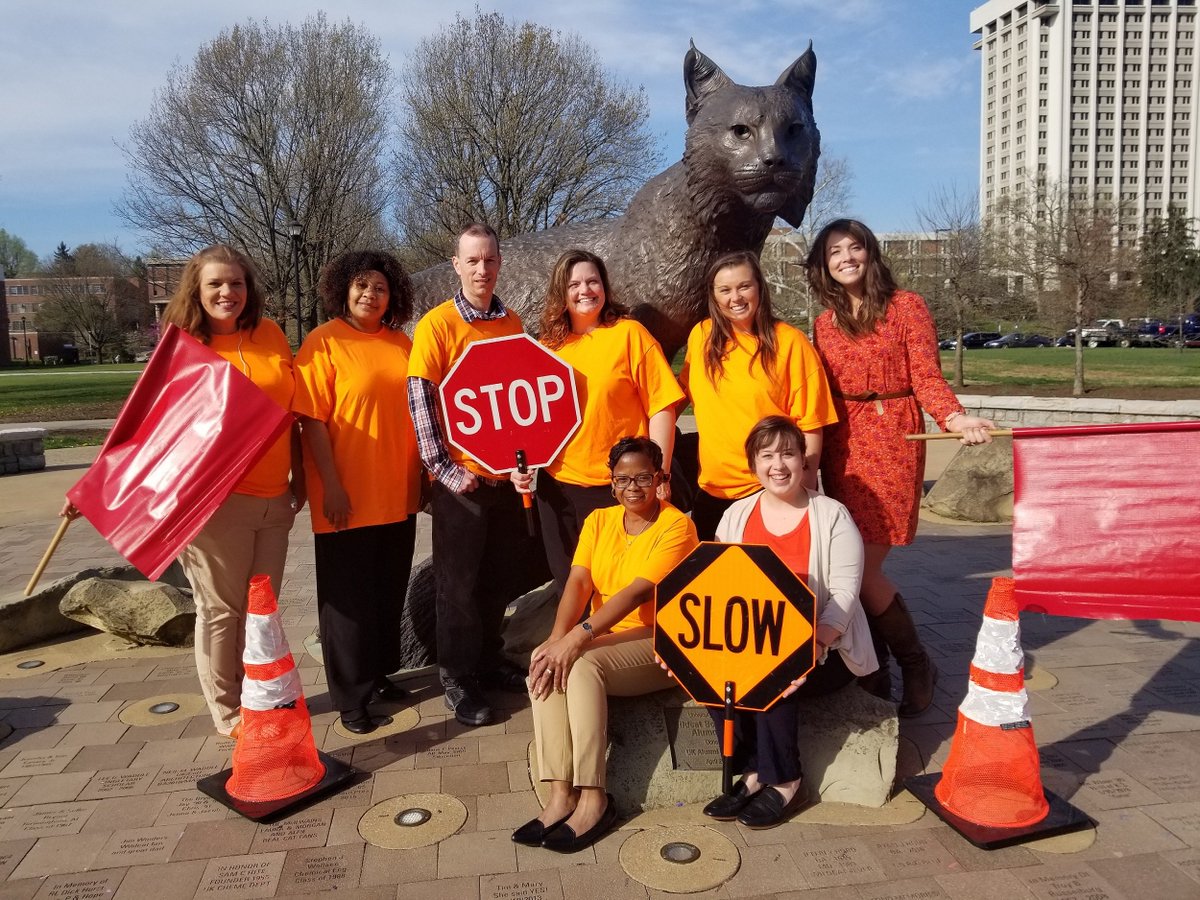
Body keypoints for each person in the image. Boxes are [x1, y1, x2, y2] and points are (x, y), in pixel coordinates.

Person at [60, 245, 303, 737]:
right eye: (215, 284)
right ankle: (229, 711)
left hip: (275, 498)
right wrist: (96, 485)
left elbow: (291, 414)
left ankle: (257, 694)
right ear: (197, 290)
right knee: (221, 609)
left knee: (260, 607)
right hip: (214, 503)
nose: (227, 292)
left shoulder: (271, 334)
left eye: (235, 283)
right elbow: (148, 431)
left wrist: (299, 477)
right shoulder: (185, 349)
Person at [806, 218, 994, 717]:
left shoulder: (906, 306)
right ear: (824, 265)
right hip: (842, 443)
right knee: (842, 558)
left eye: (854, 248)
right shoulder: (824, 323)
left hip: (892, 437)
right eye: (834, 252)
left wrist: (954, 416)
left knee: (864, 568)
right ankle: (876, 664)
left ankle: (913, 663)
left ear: (870, 253)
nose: (845, 258)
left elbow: (926, 375)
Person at [513, 436, 698, 852]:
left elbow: (636, 593)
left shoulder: (677, 526)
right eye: (623, 479)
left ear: (661, 480)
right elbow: (579, 581)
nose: (633, 487)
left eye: (644, 478)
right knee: (545, 658)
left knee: (581, 664)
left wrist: (579, 636)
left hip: (662, 641)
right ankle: (560, 794)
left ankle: (594, 797)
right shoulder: (598, 520)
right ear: (611, 484)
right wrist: (557, 638)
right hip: (609, 636)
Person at [695, 416, 876, 829]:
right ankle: (754, 769)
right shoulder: (736, 517)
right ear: (753, 465)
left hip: (823, 646)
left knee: (777, 671)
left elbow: (845, 596)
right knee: (704, 673)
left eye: (788, 454)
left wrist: (812, 648)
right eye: (767, 455)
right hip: (753, 642)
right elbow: (719, 586)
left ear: (803, 461)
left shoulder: (831, 515)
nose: (778, 465)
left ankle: (786, 780)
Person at [406, 223, 542, 727]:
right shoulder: (437, 325)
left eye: (489, 260)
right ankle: (457, 677)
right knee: (456, 586)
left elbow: (521, 400)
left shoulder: (512, 321)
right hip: (461, 482)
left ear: (498, 263)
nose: (482, 269)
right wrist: (442, 469)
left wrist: (524, 469)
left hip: (504, 481)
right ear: (457, 265)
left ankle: (488, 658)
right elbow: (420, 396)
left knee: (497, 579)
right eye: (473, 261)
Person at [293, 251, 423, 735]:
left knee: (386, 592)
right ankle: (350, 696)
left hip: (398, 492)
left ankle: (379, 672)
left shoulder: (402, 344)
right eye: (362, 286)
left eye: (381, 288)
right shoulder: (323, 343)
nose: (371, 294)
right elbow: (312, 421)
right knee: (346, 602)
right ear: (344, 289)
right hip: (345, 497)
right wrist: (330, 486)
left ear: (394, 296)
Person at [519, 249, 683, 594]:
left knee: (620, 589)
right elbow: (528, 419)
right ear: (561, 293)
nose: (585, 290)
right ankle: (576, 648)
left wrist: (661, 474)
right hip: (559, 488)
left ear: (604, 286)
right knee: (570, 586)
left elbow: (662, 407)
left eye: (592, 281)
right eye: (574, 283)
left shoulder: (629, 334)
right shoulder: (548, 348)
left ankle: (617, 649)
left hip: (620, 488)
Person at [679, 250, 838, 540]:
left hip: (768, 489)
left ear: (759, 288)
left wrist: (804, 488)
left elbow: (812, 423)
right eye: (725, 290)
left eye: (744, 286)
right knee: (714, 581)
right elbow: (679, 395)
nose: (735, 298)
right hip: (712, 490)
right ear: (713, 296)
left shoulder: (790, 342)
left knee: (770, 582)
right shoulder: (701, 336)